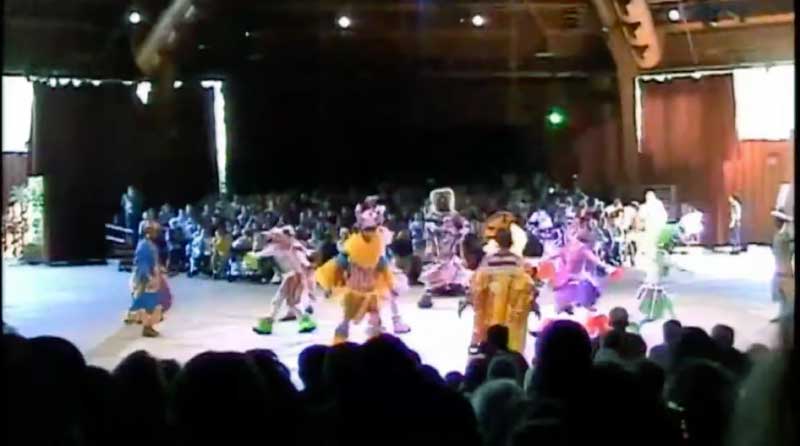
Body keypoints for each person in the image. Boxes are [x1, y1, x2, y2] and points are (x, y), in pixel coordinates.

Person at [315, 207, 395, 344]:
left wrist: (391, 287)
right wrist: (329, 286)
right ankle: (338, 345)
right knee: (346, 320)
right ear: (361, 230)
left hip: (371, 292)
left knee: (376, 318)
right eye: (368, 229)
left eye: (373, 229)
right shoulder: (350, 251)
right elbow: (336, 268)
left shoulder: (377, 251)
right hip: (354, 292)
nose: (371, 232)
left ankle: (377, 345)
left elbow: (384, 270)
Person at [461, 228, 538, 354]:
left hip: (492, 309)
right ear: (512, 242)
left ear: (496, 242)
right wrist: (533, 303)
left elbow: (477, 285)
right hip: (511, 310)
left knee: (492, 332)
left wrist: (469, 299)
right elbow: (528, 286)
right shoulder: (518, 261)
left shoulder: (488, 260)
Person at [356, 196, 411, 334]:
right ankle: (377, 323)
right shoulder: (368, 226)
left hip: (381, 264)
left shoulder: (380, 231)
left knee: (390, 294)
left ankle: (394, 322)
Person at [252, 226, 317, 335]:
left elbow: (304, 261)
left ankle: (269, 323)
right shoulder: (281, 246)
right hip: (292, 275)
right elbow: (262, 253)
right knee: (285, 300)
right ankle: (303, 321)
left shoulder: (291, 247)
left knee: (287, 301)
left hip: (294, 276)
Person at [541, 229, 616, 315]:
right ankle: (581, 304)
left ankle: (577, 304)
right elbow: (595, 260)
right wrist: (607, 267)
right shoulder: (577, 248)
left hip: (573, 274)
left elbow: (556, 254)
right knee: (592, 286)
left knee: (589, 286)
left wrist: (545, 259)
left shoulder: (573, 247)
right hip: (573, 274)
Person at [418, 187, 471, 308]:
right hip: (438, 253)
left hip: (451, 252)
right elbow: (429, 237)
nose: (442, 201)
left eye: (444, 198)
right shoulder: (431, 217)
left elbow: (461, 236)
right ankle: (427, 296)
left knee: (459, 274)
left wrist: (462, 254)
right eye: (439, 198)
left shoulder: (455, 217)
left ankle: (469, 297)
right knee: (434, 274)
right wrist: (429, 250)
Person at [125, 224, 170, 337]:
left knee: (150, 303)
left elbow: (153, 260)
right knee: (147, 304)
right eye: (154, 231)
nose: (156, 234)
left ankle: (147, 326)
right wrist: (148, 277)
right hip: (145, 279)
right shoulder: (144, 246)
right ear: (147, 233)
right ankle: (145, 326)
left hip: (151, 278)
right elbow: (142, 264)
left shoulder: (149, 245)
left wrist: (159, 268)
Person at [636, 223, 684, 324]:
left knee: (654, 297)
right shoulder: (660, 253)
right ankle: (656, 316)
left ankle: (654, 314)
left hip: (653, 280)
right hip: (654, 281)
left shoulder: (659, 252)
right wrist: (678, 267)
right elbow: (665, 263)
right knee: (655, 297)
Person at [769, 207, 794, 323]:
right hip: (779, 268)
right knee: (780, 293)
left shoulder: (786, 236)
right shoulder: (778, 235)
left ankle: (786, 317)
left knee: (787, 295)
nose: (774, 222)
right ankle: (782, 314)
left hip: (786, 269)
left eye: (777, 220)